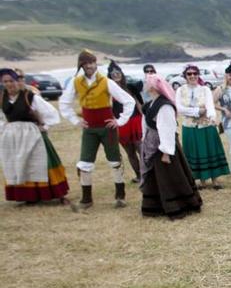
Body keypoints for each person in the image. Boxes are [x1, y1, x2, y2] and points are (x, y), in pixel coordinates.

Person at [59, 50, 135, 210]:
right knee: (85, 162)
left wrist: (120, 121)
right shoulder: (75, 82)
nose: (89, 66)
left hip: (108, 128)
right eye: (86, 63)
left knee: (115, 160)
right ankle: (87, 199)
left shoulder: (106, 82)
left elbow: (128, 101)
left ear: (95, 64)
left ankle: (120, 196)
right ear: (81, 65)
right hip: (89, 129)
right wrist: (76, 121)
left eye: (92, 62)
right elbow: (64, 103)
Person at [0, 68, 70, 205]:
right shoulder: (2, 98)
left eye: (12, 81)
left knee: (42, 162)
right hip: (14, 137)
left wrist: (44, 126)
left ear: (17, 81)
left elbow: (50, 113)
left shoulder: (30, 96)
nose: (9, 84)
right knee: (21, 164)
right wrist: (5, 128)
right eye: (5, 81)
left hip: (33, 134)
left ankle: (57, 193)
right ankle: (30, 196)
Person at [139, 74, 202, 219]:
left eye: (147, 83)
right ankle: (156, 205)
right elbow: (147, 126)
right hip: (153, 146)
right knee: (156, 178)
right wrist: (145, 142)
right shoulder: (150, 105)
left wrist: (166, 152)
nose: (145, 85)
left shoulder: (164, 106)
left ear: (154, 87)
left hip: (164, 147)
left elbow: (166, 128)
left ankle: (179, 204)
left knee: (170, 177)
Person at [175, 64, 229, 190]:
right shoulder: (180, 90)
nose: (192, 76)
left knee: (210, 150)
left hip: (206, 126)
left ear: (198, 75)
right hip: (190, 126)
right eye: (189, 74)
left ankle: (215, 180)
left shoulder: (205, 89)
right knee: (195, 152)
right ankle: (202, 181)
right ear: (185, 76)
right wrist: (197, 111)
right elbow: (180, 108)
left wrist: (212, 117)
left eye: (195, 73)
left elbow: (210, 106)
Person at [108, 61, 144, 183]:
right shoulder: (109, 91)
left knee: (141, 148)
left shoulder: (129, 87)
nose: (116, 75)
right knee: (130, 152)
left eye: (118, 73)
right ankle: (139, 175)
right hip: (121, 124)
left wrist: (144, 116)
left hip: (135, 121)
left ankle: (146, 174)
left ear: (122, 74)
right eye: (113, 74)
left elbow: (138, 103)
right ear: (110, 76)